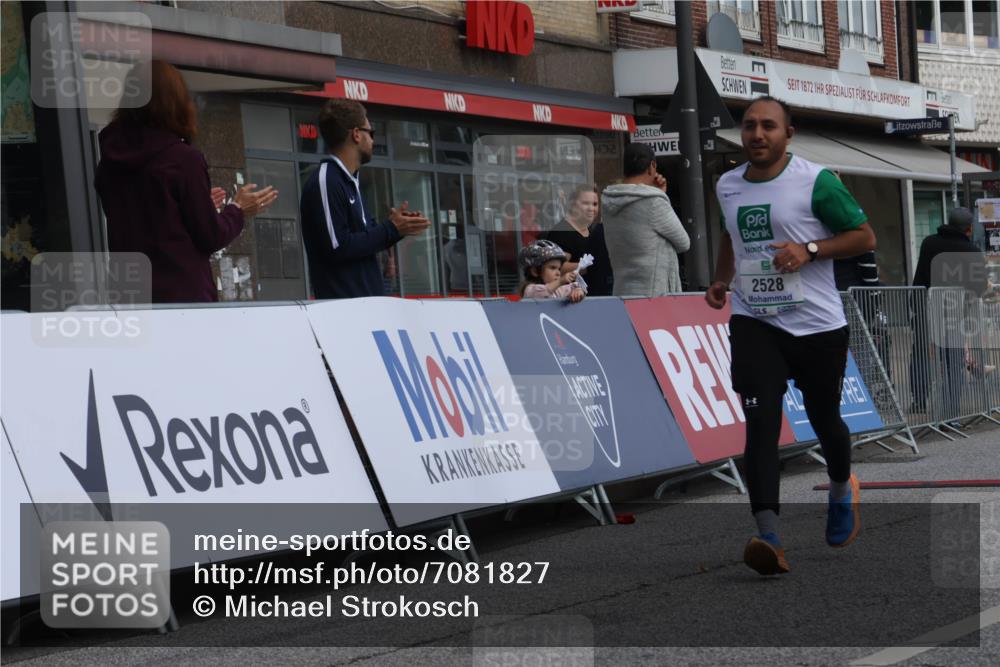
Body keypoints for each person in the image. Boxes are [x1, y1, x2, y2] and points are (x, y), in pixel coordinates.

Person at [704, 96, 877, 576]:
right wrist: (721, 280)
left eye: (768, 127)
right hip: (755, 320)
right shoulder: (728, 184)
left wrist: (810, 249)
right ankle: (768, 534)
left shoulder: (816, 181)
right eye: (750, 126)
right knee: (760, 420)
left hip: (818, 325)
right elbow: (729, 237)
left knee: (825, 419)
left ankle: (843, 489)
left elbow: (864, 237)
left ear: (788, 134)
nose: (757, 135)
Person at [95, 60, 277, 303]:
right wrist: (238, 209)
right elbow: (210, 236)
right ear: (176, 102)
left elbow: (145, 219)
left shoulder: (109, 162)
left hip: (129, 297)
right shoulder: (182, 159)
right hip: (183, 300)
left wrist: (189, 206)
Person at [300, 99, 430, 299]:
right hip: (345, 309)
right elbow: (338, 246)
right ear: (356, 134)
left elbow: (365, 239)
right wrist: (390, 229)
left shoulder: (350, 180)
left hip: (366, 306)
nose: (373, 140)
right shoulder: (327, 180)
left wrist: (398, 228)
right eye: (371, 132)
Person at [909, 207, 991, 418]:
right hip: (953, 313)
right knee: (952, 359)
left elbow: (922, 273)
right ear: (969, 229)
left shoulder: (929, 242)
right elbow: (979, 286)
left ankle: (918, 400)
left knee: (920, 351)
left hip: (924, 305)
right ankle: (952, 408)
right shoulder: (971, 251)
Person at [602, 143, 690, 297]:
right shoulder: (654, 202)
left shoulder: (608, 200)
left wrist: (656, 193)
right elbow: (684, 242)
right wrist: (661, 196)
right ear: (652, 166)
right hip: (654, 294)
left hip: (622, 291)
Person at [542, 184, 614, 296]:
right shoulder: (561, 232)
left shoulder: (592, 230)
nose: (591, 208)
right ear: (572, 205)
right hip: (570, 298)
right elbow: (558, 268)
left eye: (595, 204)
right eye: (585, 203)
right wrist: (589, 266)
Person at [518, 239, 585, 302]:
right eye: (553, 268)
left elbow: (575, 287)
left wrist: (578, 291)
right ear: (535, 271)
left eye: (559, 269)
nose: (558, 273)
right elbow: (543, 291)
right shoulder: (530, 290)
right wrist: (561, 281)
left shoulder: (558, 289)